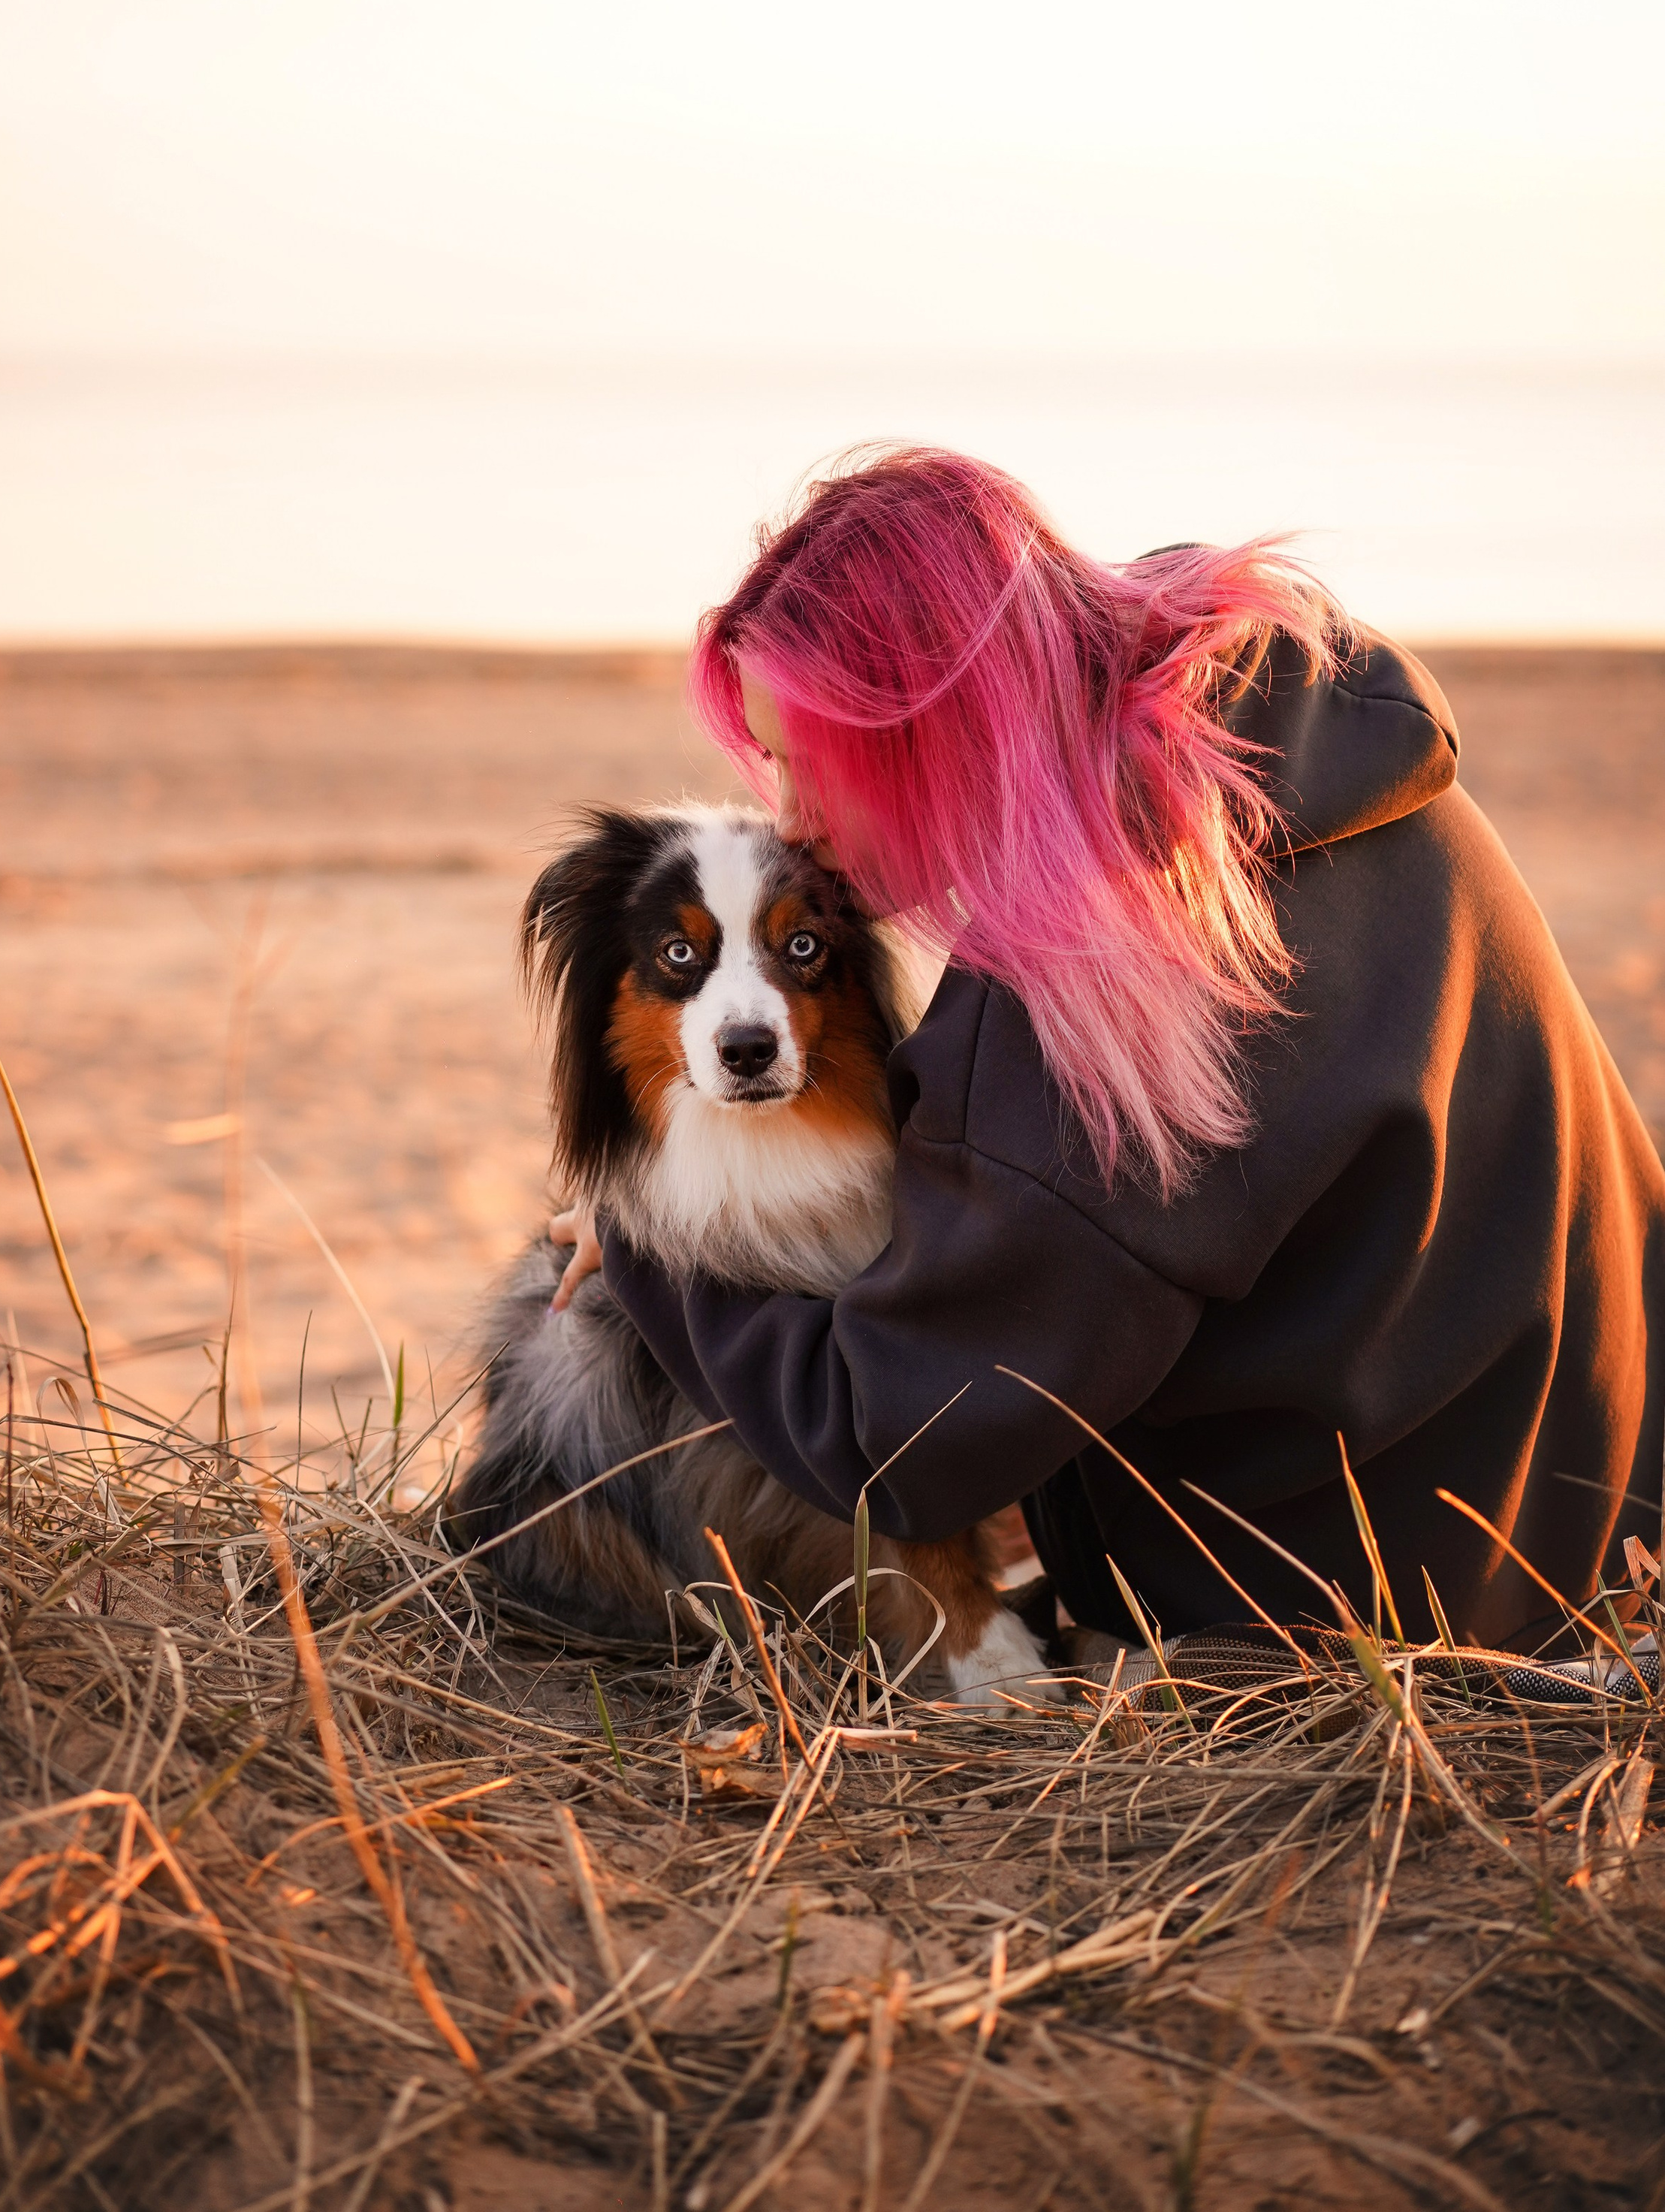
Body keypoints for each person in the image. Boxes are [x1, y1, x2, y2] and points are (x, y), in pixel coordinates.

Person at [550, 446, 1664, 1652]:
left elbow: (892, 1449)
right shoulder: (1307, 741)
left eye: (814, 764)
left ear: (931, 728)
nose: (797, 822)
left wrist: (648, 1256)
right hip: (1616, 1503)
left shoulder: (1089, 991)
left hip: (1399, 1621)